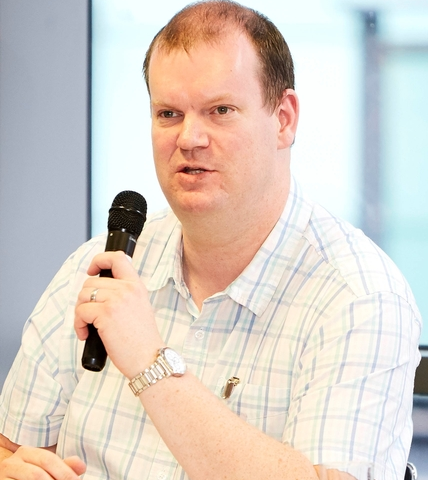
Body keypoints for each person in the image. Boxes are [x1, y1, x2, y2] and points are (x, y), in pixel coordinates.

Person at [0, 1, 421, 479]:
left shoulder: (361, 296)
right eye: (168, 113)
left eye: (220, 110)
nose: (189, 138)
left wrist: (150, 362)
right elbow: (9, 447)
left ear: (283, 119)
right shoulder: (99, 266)